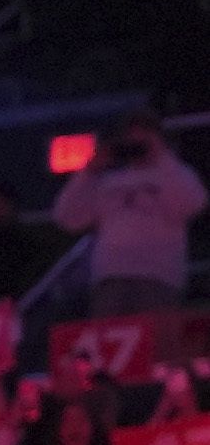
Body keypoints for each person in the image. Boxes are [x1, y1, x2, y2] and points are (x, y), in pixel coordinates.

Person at [50, 109, 203, 319]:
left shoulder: (175, 173)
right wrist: (89, 172)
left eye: (143, 138)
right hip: (110, 277)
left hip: (158, 277)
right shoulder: (107, 180)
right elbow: (66, 218)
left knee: (156, 344)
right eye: (130, 137)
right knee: (109, 342)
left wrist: (162, 158)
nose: (135, 143)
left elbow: (193, 204)